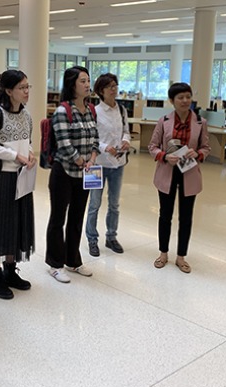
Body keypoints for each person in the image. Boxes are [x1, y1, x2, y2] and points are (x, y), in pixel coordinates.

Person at [0, 69, 35, 299]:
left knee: (18, 225)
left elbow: (28, 142)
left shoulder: (26, 115)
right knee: (0, 227)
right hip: (4, 178)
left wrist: (30, 155)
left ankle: (10, 270)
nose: (26, 92)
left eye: (27, 87)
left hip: (23, 178)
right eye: (22, 87)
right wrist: (15, 156)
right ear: (8, 90)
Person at [148, 82, 210, 274]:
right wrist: (165, 156)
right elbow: (153, 146)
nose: (185, 101)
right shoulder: (164, 120)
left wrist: (198, 154)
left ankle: (181, 256)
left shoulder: (200, 122)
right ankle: (163, 253)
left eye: (188, 97)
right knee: (165, 215)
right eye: (180, 97)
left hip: (189, 173)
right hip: (168, 171)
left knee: (186, 217)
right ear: (172, 101)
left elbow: (206, 148)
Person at [45, 65, 99, 283]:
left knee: (77, 217)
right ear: (72, 85)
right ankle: (55, 264)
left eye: (88, 80)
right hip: (64, 172)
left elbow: (96, 138)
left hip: (86, 171)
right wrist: (81, 161)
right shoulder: (62, 111)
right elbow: (64, 144)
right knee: (58, 218)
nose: (87, 85)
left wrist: (92, 159)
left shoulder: (91, 110)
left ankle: (73, 260)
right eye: (82, 81)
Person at [85, 73, 130, 257]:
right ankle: (92, 239)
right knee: (94, 204)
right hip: (96, 164)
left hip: (118, 164)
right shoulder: (93, 111)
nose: (114, 89)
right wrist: (105, 147)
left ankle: (111, 237)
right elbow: (89, 139)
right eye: (110, 86)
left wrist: (126, 140)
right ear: (101, 90)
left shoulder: (122, 110)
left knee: (114, 204)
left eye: (115, 85)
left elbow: (126, 131)